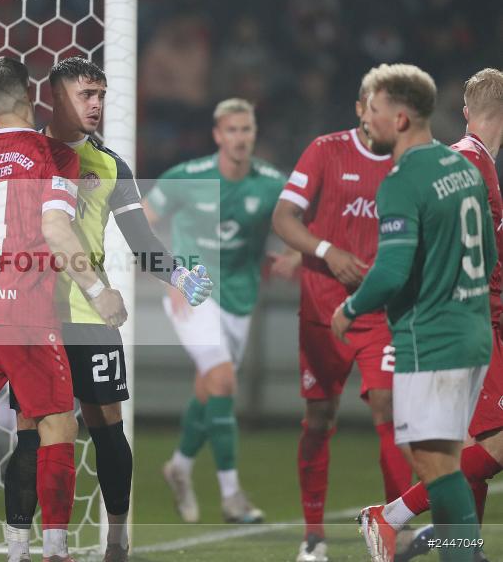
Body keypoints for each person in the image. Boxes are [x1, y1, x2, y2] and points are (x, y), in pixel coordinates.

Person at [0, 56, 128, 562]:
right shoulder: (50, 155)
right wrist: (98, 291)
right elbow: (56, 232)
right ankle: (54, 548)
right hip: (27, 318)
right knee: (58, 425)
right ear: (31, 96)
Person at [1, 57, 213, 562]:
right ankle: (19, 549)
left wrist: (178, 274)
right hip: (33, 315)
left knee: (108, 432)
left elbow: (141, 240)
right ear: (54, 95)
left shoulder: (111, 164)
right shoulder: (22, 155)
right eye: (84, 94)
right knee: (31, 435)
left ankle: (115, 544)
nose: (95, 104)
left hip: (92, 317)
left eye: (100, 94)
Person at [331, 63, 495, 562]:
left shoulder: (404, 180)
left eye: (374, 110)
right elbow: (489, 251)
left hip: (431, 337)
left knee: (437, 467)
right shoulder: (464, 169)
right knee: (450, 467)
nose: (366, 121)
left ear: (401, 117)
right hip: (474, 333)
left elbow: (391, 272)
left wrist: (350, 308)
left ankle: (397, 524)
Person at [271, 68, 413, 562]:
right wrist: (327, 250)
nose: (383, 118)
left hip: (380, 314)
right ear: (359, 109)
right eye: (374, 107)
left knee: (389, 414)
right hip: (322, 309)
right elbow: (283, 217)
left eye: (392, 110)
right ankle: (313, 535)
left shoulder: (407, 161)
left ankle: (394, 529)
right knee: (318, 420)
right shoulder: (325, 150)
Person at [145, 98, 288, 526]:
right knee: (224, 379)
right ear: (217, 135)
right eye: (232, 130)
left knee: (210, 388)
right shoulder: (186, 178)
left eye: (246, 130)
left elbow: (296, 223)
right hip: (194, 289)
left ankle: (179, 467)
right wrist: (168, 276)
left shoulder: (270, 183)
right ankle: (232, 496)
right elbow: (140, 222)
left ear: (254, 133)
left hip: (241, 296)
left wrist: (295, 256)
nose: (240, 138)